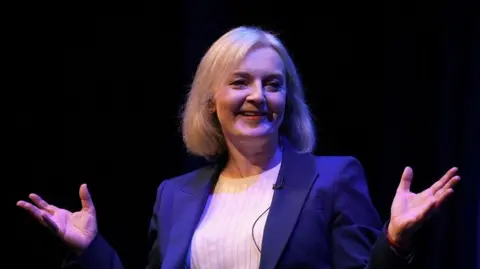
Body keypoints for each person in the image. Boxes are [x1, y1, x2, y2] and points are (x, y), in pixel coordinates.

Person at [17, 26, 460, 269]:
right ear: (212, 100)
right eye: (240, 82)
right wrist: (89, 250)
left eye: (273, 84)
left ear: (287, 100)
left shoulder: (333, 178)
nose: (258, 96)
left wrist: (395, 242)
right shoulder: (174, 196)